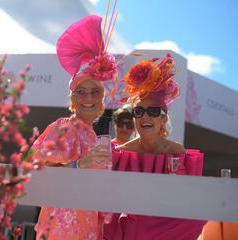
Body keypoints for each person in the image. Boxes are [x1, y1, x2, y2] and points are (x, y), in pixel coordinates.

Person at [32, 14, 118, 240]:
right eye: (81, 91)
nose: (88, 97)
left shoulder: (94, 137)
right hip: (62, 227)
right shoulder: (63, 128)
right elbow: (34, 172)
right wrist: (78, 165)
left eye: (95, 91)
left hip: (89, 226)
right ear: (72, 99)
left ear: (102, 101)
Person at [103, 54, 206, 240]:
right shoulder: (121, 153)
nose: (145, 117)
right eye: (139, 111)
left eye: (153, 112)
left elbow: (189, 201)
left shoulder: (177, 153)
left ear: (163, 119)